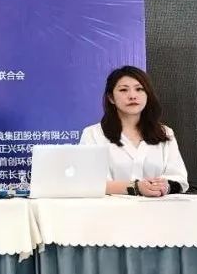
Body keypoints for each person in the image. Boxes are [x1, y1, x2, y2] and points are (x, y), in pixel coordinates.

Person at [80, 66, 188, 196]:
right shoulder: (93, 134)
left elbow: (180, 180)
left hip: (158, 207)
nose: (132, 96)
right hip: (111, 208)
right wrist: (136, 187)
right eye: (123, 90)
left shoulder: (165, 132)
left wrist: (165, 186)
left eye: (139, 89)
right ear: (111, 98)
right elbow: (90, 183)